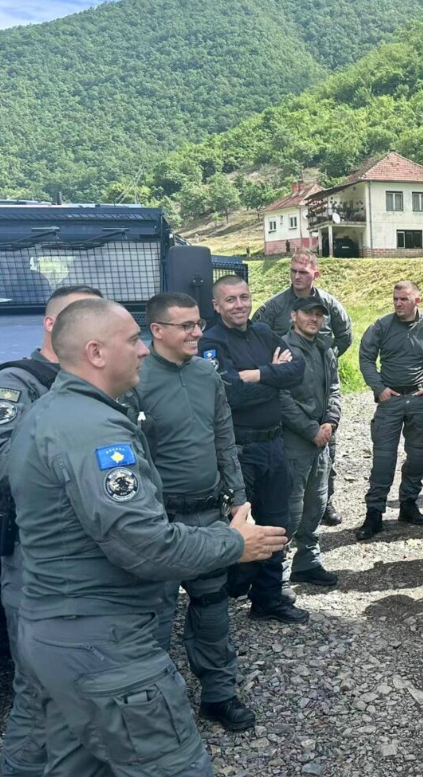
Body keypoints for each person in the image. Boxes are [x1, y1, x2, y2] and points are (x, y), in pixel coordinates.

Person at [8, 298, 288, 777]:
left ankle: (219, 692)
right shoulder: (93, 428)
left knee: (75, 763)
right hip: (102, 642)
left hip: (59, 630)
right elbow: (142, 544)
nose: (140, 350)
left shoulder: (54, 411)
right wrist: (234, 543)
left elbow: (220, 436)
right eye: (132, 340)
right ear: (96, 353)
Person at [0, 284, 102, 777]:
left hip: (92, 555)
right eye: (76, 315)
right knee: (38, 689)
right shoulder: (18, 383)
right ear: (52, 325)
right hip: (36, 559)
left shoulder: (98, 382)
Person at [128, 292, 255, 732]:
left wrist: (238, 497)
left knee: (213, 608)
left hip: (207, 518)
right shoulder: (135, 382)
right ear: (157, 331)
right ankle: (156, 709)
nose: (198, 332)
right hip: (159, 523)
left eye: (199, 323)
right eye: (187, 326)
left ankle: (219, 695)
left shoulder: (207, 375)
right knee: (155, 618)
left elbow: (224, 438)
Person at [200, 275, 307, 623]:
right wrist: (272, 375)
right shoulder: (212, 342)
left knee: (277, 522)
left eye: (244, 297)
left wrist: (257, 374)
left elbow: (297, 370)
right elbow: (230, 393)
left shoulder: (262, 333)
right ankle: (228, 591)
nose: (239, 305)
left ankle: (268, 598)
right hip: (240, 450)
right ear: (216, 306)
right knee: (236, 522)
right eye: (230, 300)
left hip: (274, 444)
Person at [252, 250, 352, 527]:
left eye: (303, 272)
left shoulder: (329, 305)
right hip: (287, 391)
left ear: (315, 274)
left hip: (320, 392)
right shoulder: (274, 307)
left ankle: (325, 502)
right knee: (291, 468)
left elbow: (344, 336)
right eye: (293, 271)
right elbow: (256, 337)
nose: (297, 276)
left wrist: (321, 364)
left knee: (327, 456)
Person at [355, 280, 423, 540]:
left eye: (404, 299)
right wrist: (379, 388)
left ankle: (409, 504)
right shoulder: (382, 326)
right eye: (395, 298)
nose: (398, 303)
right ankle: (374, 513)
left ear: (417, 300)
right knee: (383, 459)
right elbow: (365, 357)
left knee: (417, 457)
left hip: (420, 398)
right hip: (390, 399)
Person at [280, 296, 343, 587]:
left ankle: (307, 561)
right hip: (295, 441)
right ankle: (276, 574)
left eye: (319, 314)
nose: (314, 319)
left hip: (322, 440)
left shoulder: (324, 348)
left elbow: (335, 388)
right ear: (294, 315)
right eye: (308, 313)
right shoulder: (282, 349)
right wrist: (310, 430)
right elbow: (281, 397)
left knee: (316, 503)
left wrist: (330, 422)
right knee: (290, 509)